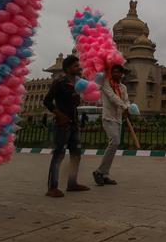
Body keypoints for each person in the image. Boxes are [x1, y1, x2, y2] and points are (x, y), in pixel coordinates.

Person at [43, 55, 90, 197]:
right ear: (68, 68)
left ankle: (72, 182)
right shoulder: (59, 82)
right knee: (59, 154)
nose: (79, 68)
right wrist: (58, 114)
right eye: (75, 66)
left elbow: (75, 103)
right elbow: (47, 101)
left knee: (76, 153)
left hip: (74, 123)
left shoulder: (77, 83)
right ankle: (52, 187)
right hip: (62, 124)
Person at [93, 64, 130, 186]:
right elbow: (112, 97)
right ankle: (99, 171)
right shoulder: (106, 83)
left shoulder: (123, 87)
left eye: (119, 72)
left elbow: (126, 100)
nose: (116, 74)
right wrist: (124, 107)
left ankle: (104, 174)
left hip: (118, 118)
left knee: (115, 144)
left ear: (122, 74)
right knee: (114, 142)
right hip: (108, 117)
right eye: (114, 72)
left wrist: (127, 108)